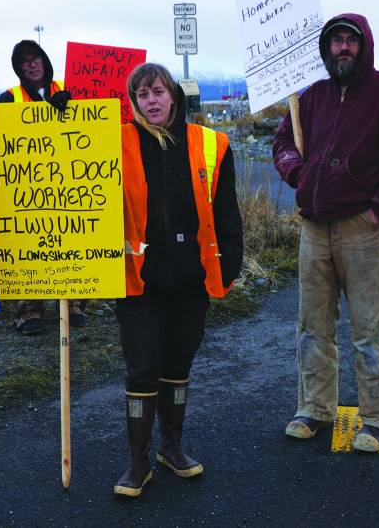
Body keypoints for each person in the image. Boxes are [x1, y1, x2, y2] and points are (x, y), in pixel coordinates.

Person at [273, 13, 379, 452]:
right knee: (313, 327)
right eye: (335, 42)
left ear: (363, 46)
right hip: (313, 227)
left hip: (361, 228)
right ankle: (314, 409)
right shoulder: (311, 97)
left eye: (350, 41)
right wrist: (296, 174)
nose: (343, 48)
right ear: (326, 50)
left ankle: (378, 417)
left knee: (369, 328)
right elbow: (282, 143)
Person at [114, 63, 243, 497]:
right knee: (142, 368)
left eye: (158, 92)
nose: (151, 101)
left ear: (174, 96)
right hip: (138, 281)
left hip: (190, 278)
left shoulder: (212, 145)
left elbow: (227, 212)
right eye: (142, 94)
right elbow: (64, 158)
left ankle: (172, 448)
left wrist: (230, 266)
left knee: (177, 365)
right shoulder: (114, 143)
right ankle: (137, 463)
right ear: (133, 102)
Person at [0, 39, 86, 335]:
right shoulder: (9, 98)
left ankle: (74, 303)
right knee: (30, 246)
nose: (31, 64)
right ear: (18, 68)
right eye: (24, 61)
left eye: (35, 58)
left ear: (44, 60)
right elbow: (1, 137)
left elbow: (95, 123)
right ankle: (29, 309)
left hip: (71, 179)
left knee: (73, 241)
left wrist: (69, 106)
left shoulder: (70, 88)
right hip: (28, 183)